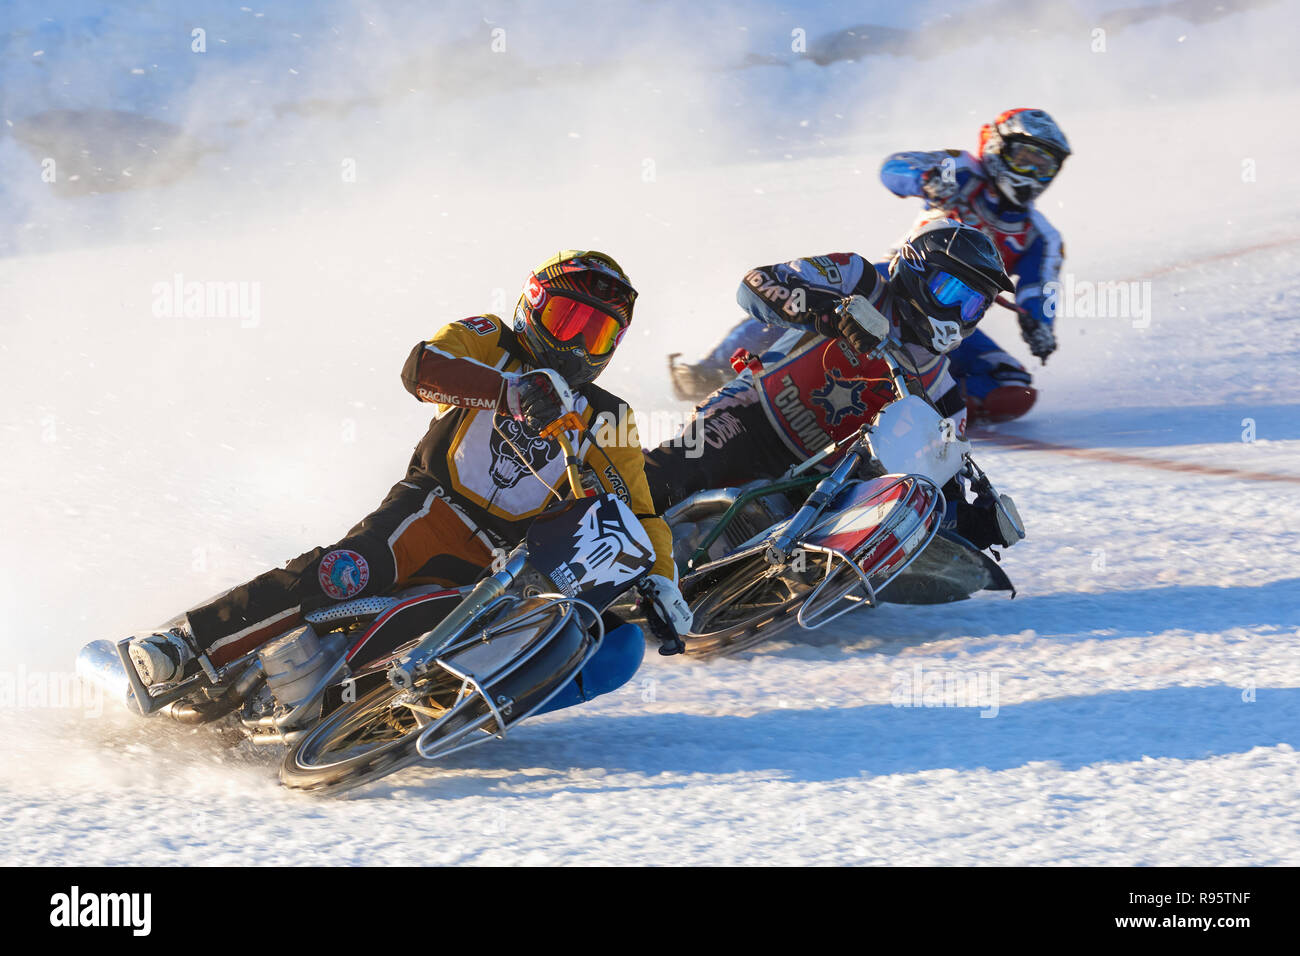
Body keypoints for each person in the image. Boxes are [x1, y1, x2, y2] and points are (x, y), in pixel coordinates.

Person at [128, 250, 692, 691]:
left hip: (507, 563)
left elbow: (638, 513)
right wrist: (507, 391)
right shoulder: (492, 340)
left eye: (594, 333)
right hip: (427, 512)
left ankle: (405, 710)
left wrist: (662, 579)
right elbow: (422, 368)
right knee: (345, 575)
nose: (574, 344)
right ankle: (184, 645)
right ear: (532, 304)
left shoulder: (609, 416)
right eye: (566, 319)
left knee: (603, 645)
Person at [670, 108, 1070, 425]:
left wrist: (1039, 325)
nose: (1032, 174)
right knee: (809, 301)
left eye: (1044, 167)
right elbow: (893, 168)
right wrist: (927, 177)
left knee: (1015, 390)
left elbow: (1042, 289)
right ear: (998, 146)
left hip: (951, 322)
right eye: (1025, 159)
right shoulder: (961, 168)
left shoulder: (1042, 236)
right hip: (894, 284)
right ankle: (714, 367)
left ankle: (914, 404)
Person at [645, 220, 1024, 550]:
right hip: (753, 415)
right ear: (916, 270)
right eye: (951, 292)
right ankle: (603, 512)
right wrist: (827, 313)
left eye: (973, 305)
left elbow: (932, 486)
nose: (959, 314)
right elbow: (756, 284)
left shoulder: (945, 396)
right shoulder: (858, 278)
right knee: (671, 476)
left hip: (822, 482)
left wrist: (972, 523)